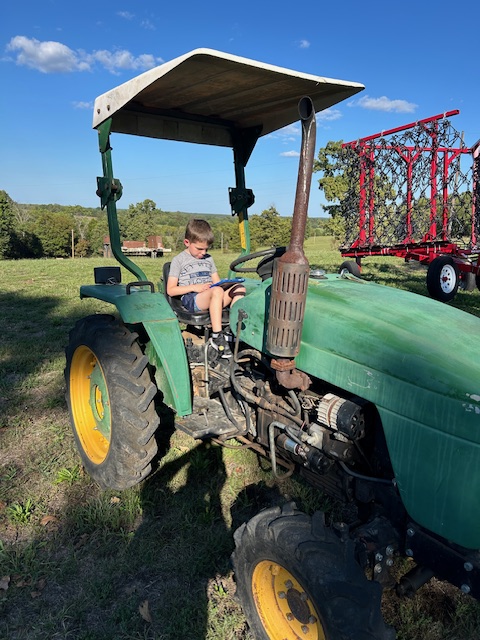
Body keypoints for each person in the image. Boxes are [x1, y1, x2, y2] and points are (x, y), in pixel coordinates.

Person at [166, 219, 246, 357]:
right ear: (187, 242)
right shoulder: (178, 260)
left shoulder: (208, 259)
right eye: (199, 249)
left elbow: (217, 282)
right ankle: (217, 336)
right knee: (217, 291)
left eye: (206, 249)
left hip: (213, 295)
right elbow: (171, 290)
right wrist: (194, 287)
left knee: (239, 288)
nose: (203, 253)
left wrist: (227, 284)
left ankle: (231, 329)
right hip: (192, 298)